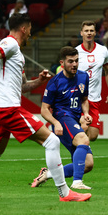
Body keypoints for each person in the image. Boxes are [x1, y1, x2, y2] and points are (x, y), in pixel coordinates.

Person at [0, 13, 91, 202]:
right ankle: (65, 193)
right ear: (24, 29)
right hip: (7, 108)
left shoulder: (17, 53)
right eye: (29, 31)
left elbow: (22, 87)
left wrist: (39, 81)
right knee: (52, 141)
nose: (30, 35)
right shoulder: (9, 43)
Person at [31, 46, 94, 190]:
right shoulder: (55, 82)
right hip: (62, 119)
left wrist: (86, 113)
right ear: (62, 63)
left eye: (76, 61)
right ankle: (77, 182)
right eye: (70, 61)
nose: (74, 64)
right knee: (84, 139)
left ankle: (47, 174)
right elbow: (44, 109)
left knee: (88, 164)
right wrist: (55, 123)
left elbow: (84, 99)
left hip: (76, 119)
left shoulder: (84, 76)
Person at [60, 20, 108, 141]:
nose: (89, 33)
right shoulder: (75, 52)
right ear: (81, 33)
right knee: (82, 129)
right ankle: (81, 158)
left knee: (93, 135)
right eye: (86, 31)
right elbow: (66, 73)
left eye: (91, 31)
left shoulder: (103, 51)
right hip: (78, 98)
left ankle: (80, 153)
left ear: (95, 33)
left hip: (95, 99)